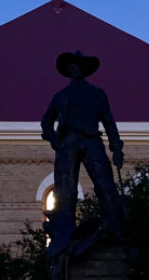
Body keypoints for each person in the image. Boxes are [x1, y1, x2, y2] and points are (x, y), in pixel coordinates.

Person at [41, 51, 127, 256]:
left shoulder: (98, 94)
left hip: (92, 141)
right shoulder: (61, 96)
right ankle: (64, 235)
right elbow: (46, 119)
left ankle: (113, 230)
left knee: (105, 185)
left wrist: (116, 147)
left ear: (85, 70)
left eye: (80, 65)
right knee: (65, 190)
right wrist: (52, 138)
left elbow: (109, 121)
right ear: (69, 70)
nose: (76, 69)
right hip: (68, 142)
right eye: (73, 65)